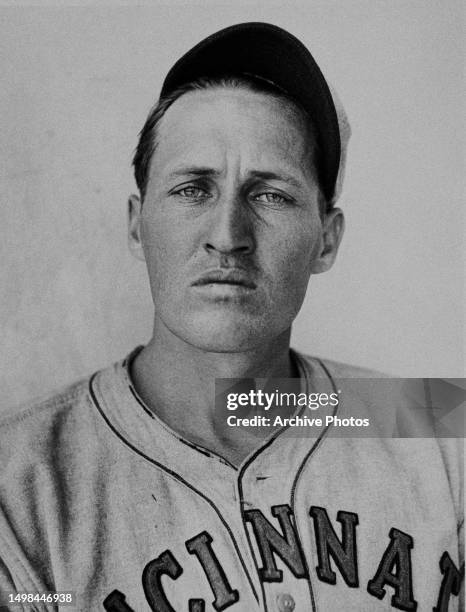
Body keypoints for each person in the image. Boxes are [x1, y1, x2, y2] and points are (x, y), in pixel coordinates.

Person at [0, 22, 463, 612]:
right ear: (137, 226)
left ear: (326, 239)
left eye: (271, 194)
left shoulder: (436, 420)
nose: (228, 236)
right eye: (193, 189)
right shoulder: (20, 486)